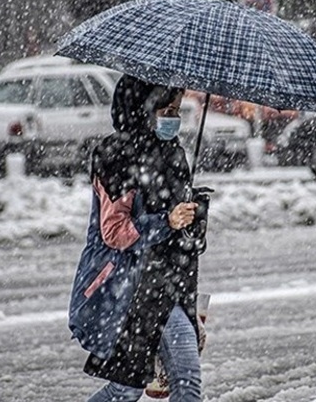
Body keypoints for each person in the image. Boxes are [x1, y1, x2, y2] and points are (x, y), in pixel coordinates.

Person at [68, 74, 210, 402]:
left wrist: (193, 217)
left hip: (167, 284)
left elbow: (179, 240)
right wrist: (167, 221)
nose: (174, 118)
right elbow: (115, 232)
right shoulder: (116, 156)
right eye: (167, 108)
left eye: (177, 109)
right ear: (144, 107)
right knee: (126, 390)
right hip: (130, 289)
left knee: (186, 379)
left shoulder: (173, 154)